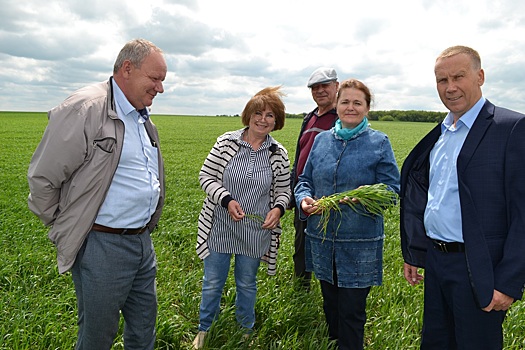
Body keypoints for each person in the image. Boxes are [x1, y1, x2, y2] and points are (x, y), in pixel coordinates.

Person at [27, 38, 167, 349]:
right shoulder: (87, 108)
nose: (160, 88)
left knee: (144, 328)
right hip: (102, 245)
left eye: (162, 81)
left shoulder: (141, 116)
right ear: (127, 69)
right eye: (155, 79)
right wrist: (71, 226)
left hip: (142, 243)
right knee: (97, 336)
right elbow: (43, 178)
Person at [400, 45, 525, 349]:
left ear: (480, 76)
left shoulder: (511, 128)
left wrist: (507, 281)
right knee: (436, 342)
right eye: (442, 80)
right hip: (437, 263)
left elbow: (523, 213)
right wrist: (416, 250)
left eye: (459, 76)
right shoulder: (440, 135)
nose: (450, 87)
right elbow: (432, 199)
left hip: (479, 269)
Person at [295, 78, 400, 350]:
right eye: (345, 102)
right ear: (337, 105)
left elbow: (392, 190)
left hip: (358, 244)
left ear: (367, 108)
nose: (350, 107)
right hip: (322, 240)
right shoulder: (320, 141)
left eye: (357, 102)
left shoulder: (378, 142)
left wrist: (367, 196)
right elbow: (304, 180)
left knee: (352, 312)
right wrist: (304, 199)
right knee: (330, 305)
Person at [193, 86, 291, 349]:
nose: (263, 119)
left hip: (255, 231)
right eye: (258, 113)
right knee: (213, 282)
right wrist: (226, 199)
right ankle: (204, 329)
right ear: (248, 115)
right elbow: (206, 177)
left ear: (277, 121)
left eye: (270, 115)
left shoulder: (278, 153)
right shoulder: (226, 142)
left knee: (247, 283)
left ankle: (245, 330)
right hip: (220, 226)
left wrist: (278, 209)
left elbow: (284, 190)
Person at [290, 67, 339, 289]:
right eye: (315, 87)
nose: (319, 91)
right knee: (301, 246)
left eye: (325, 86)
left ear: (336, 86)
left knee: (330, 248)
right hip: (303, 194)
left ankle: (332, 293)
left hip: (328, 195)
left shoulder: (342, 117)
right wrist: (293, 191)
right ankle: (302, 289)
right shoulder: (309, 118)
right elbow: (299, 155)